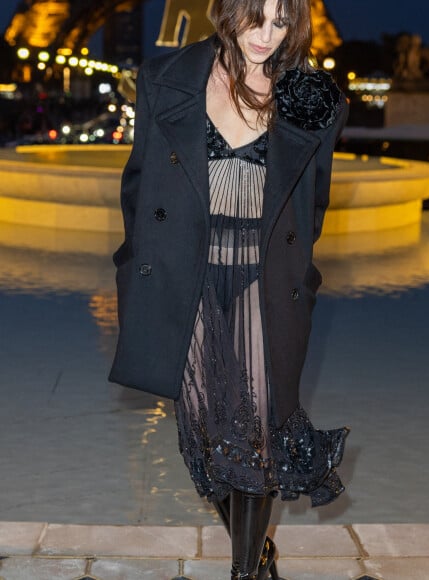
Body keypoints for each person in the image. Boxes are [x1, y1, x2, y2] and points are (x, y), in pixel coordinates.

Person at [109, 0, 349, 578]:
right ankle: (259, 549)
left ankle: (245, 572)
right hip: (183, 276)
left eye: (281, 21)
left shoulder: (311, 97)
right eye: (255, 17)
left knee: (258, 434)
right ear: (227, 11)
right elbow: (139, 187)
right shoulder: (166, 80)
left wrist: (292, 270)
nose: (267, 35)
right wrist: (139, 266)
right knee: (206, 434)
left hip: (264, 282)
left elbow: (310, 207)